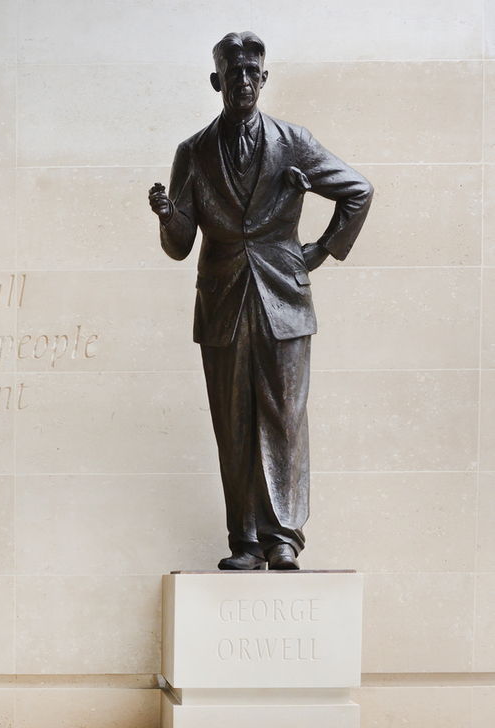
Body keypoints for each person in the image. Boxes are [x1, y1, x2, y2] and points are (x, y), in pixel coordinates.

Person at [148, 31, 373, 571]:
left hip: (284, 297)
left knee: (284, 418)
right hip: (223, 299)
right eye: (233, 75)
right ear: (216, 82)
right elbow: (180, 247)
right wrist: (167, 217)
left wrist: (317, 252)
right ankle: (245, 541)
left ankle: (284, 538)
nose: (244, 82)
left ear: (264, 78)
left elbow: (358, 191)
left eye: (252, 73)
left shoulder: (292, 142)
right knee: (234, 422)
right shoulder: (193, 152)